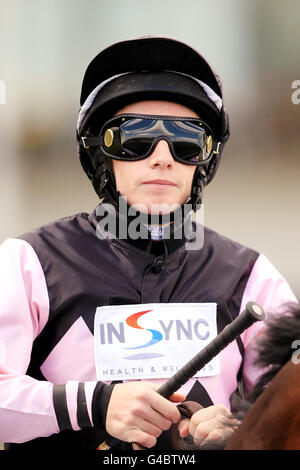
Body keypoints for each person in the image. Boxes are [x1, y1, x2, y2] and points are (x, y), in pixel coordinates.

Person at [0, 36, 297, 451]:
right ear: (101, 157)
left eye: (187, 140)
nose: (162, 157)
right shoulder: (26, 263)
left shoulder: (253, 277)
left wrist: (240, 427)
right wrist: (96, 404)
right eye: (134, 138)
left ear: (205, 160)